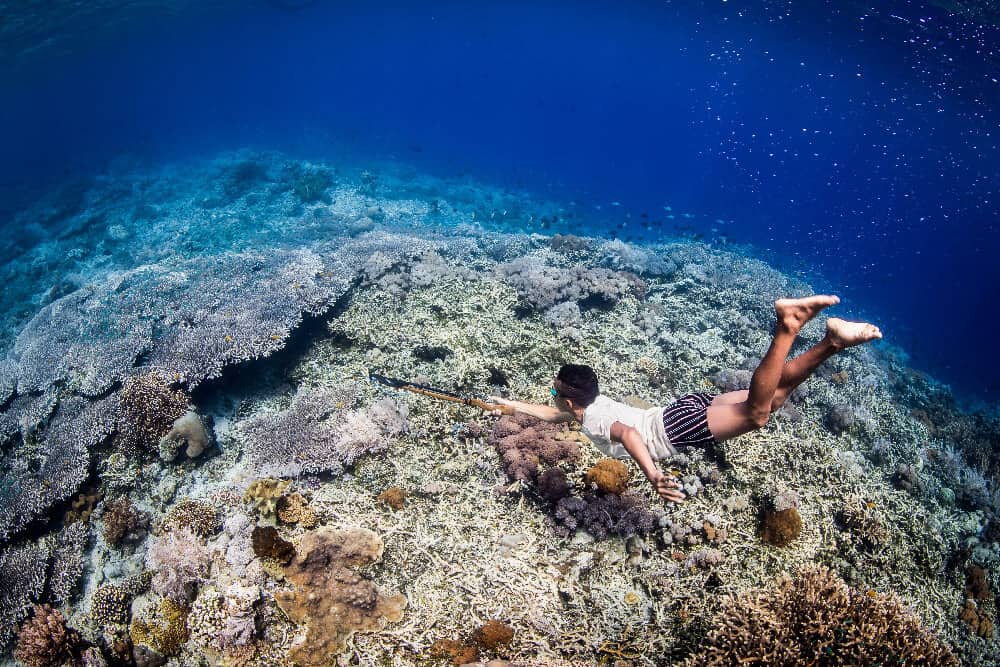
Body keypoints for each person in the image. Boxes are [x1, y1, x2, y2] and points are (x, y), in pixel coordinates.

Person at [490, 295, 882, 502]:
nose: (552, 398)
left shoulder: (592, 419)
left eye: (554, 392)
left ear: (570, 401)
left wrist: (653, 476)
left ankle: (788, 325)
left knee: (757, 414)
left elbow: (628, 434)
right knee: (772, 398)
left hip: (675, 429)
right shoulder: (589, 406)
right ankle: (832, 342)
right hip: (681, 409)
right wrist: (509, 405)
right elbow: (550, 415)